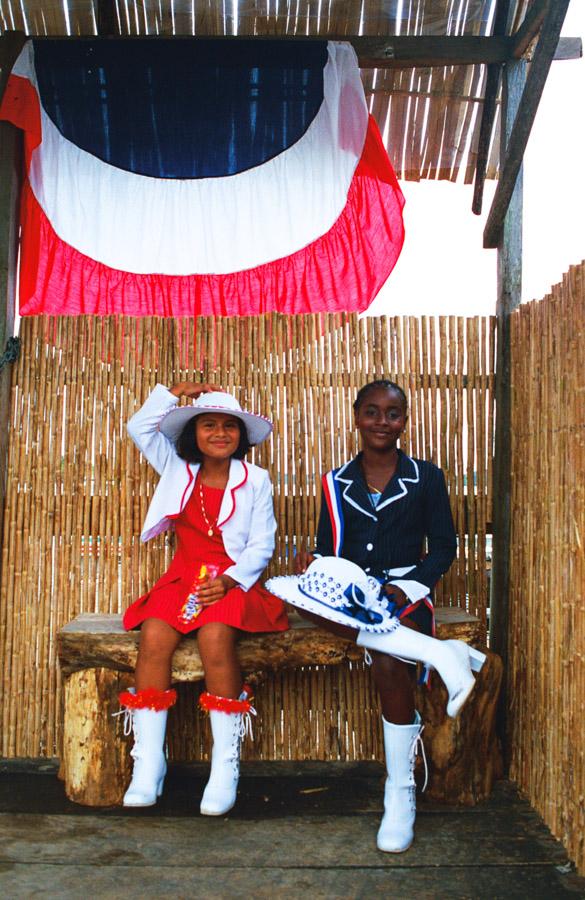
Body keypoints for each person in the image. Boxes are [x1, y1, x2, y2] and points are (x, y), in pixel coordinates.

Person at [267, 379, 484, 853]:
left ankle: (400, 790)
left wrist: (404, 586)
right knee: (294, 594)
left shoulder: (426, 477)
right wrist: (314, 562)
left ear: (404, 420)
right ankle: (442, 654)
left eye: (392, 413)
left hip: (404, 591)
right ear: (356, 416)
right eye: (372, 412)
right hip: (351, 593)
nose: (382, 422)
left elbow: (444, 548)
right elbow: (330, 548)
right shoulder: (335, 480)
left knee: (387, 657)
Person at [118, 382, 288, 813]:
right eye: (208, 424)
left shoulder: (257, 481)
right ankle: (149, 762)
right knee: (154, 636)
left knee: (215, 637)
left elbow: (262, 545)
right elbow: (139, 426)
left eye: (230, 426)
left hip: (233, 581)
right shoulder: (176, 468)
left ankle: (224, 766)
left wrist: (230, 581)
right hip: (184, 578)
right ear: (192, 434)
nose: (219, 433)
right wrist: (173, 393)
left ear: (242, 436)